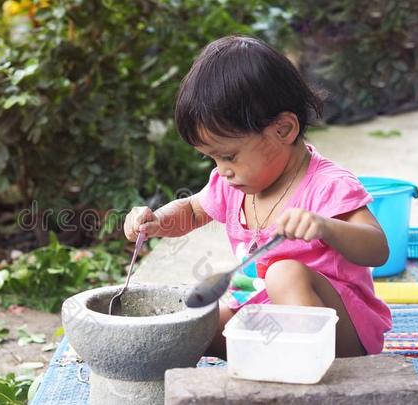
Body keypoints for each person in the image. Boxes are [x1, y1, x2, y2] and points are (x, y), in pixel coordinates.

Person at [123, 35, 392, 359]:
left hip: (339, 334)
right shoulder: (232, 183)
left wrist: (326, 227)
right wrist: (157, 221)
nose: (222, 170)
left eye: (230, 156)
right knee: (193, 328)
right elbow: (194, 211)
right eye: (213, 158)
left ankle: (306, 373)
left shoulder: (327, 185)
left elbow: (377, 249)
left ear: (283, 130)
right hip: (266, 319)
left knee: (283, 273)